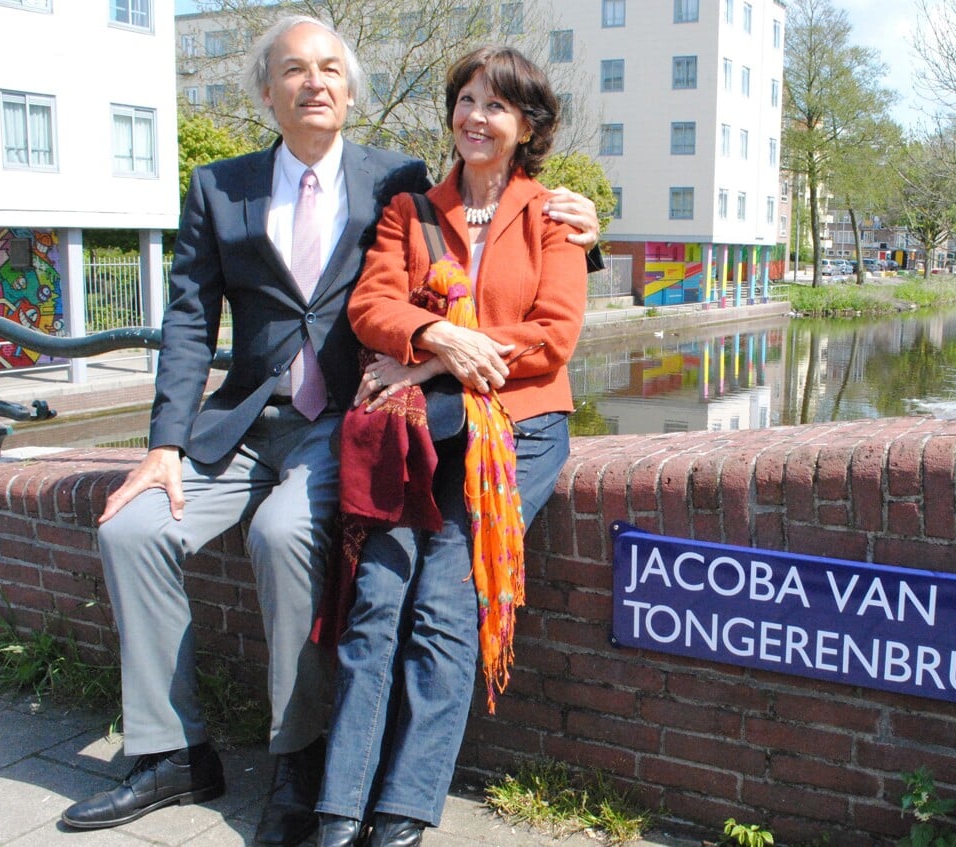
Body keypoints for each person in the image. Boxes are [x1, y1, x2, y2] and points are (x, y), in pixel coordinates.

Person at [59, 17, 598, 847]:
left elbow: (526, 292)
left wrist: (581, 238)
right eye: (293, 71)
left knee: (297, 545)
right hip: (247, 421)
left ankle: (303, 764)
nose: (314, 83)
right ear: (266, 90)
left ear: (350, 91)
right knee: (132, 531)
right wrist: (164, 444)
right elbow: (196, 320)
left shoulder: (396, 179)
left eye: (329, 71)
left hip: (358, 422)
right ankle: (171, 750)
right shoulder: (224, 186)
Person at [311, 45, 588, 847]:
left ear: (526, 125)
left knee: (441, 607)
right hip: (417, 434)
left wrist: (432, 353)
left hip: (517, 430)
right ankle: (338, 808)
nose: (475, 116)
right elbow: (371, 306)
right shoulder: (410, 212)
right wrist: (430, 331)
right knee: (373, 606)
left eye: (495, 105)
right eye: (466, 99)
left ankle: (404, 809)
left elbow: (552, 337)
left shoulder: (553, 218)